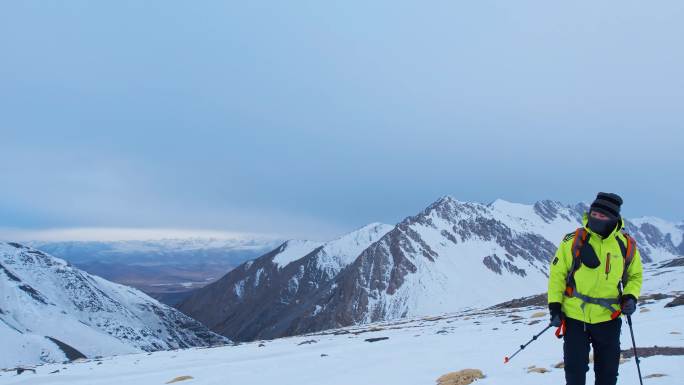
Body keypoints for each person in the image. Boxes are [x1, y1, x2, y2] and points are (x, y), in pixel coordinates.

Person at [547, 192, 643, 385]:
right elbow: (557, 275)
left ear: (614, 218)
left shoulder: (625, 245)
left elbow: (634, 276)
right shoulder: (573, 241)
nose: (596, 218)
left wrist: (631, 296)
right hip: (575, 316)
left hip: (609, 317)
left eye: (602, 215)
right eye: (594, 213)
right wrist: (555, 307)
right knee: (575, 371)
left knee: (607, 373)